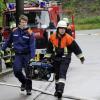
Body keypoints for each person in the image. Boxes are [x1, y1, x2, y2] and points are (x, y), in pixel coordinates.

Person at [44, 20, 85, 98]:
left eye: (64, 29)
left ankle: (60, 90)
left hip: (65, 58)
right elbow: (49, 49)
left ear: (65, 29)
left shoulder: (68, 38)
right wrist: (47, 58)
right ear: (58, 29)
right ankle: (56, 90)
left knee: (62, 73)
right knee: (57, 75)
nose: (62, 30)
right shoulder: (52, 37)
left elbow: (76, 48)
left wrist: (81, 57)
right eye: (61, 28)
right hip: (56, 58)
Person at [0, 15, 36, 95]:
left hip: (27, 55)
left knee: (28, 72)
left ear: (27, 22)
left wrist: (32, 57)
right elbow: (8, 41)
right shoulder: (14, 31)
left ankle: (28, 89)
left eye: (25, 22)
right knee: (16, 71)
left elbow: (32, 46)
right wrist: (1, 50)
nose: (24, 24)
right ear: (19, 22)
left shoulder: (30, 33)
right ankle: (24, 82)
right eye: (22, 22)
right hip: (18, 55)